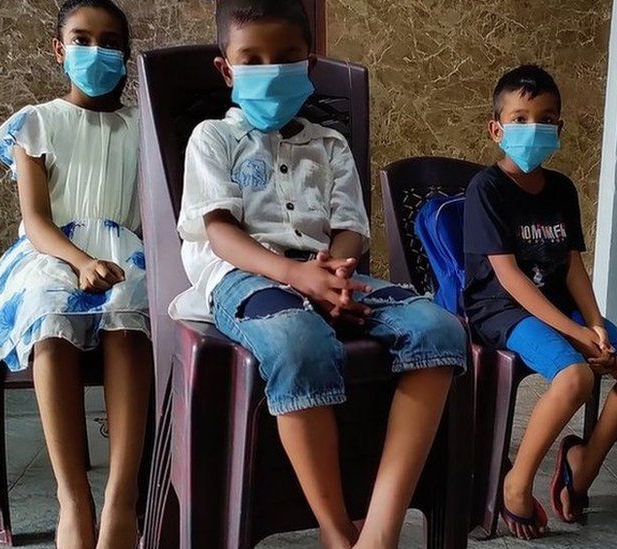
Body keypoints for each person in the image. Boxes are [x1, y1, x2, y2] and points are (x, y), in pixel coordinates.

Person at [167, 1, 466, 547]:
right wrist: (294, 275)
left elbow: (349, 228)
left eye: (287, 57)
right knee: (297, 341)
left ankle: (379, 531)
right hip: (244, 277)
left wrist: (334, 274)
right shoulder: (212, 138)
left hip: (328, 270)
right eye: (252, 58)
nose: (271, 68)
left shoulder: (329, 146)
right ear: (226, 68)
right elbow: (221, 233)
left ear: (310, 62)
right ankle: (335, 531)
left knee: (441, 330)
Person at [0, 1, 150, 547]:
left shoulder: (144, 124)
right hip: (52, 252)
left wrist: (110, 262)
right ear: (59, 49)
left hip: (126, 248)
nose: (97, 52)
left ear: (126, 52)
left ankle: (121, 498)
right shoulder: (36, 122)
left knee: (129, 304)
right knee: (48, 309)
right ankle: (74, 498)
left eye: (110, 41)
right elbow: (37, 222)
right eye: (81, 39)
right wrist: (80, 260)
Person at [462, 65, 617, 539]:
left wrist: (593, 323)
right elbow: (508, 277)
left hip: (558, 305)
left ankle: (583, 464)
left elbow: (571, 265)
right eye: (521, 118)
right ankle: (515, 484)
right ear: (497, 129)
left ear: (560, 128)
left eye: (546, 119)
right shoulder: (486, 189)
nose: (535, 129)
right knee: (575, 377)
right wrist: (575, 336)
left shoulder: (562, 189)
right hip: (502, 309)